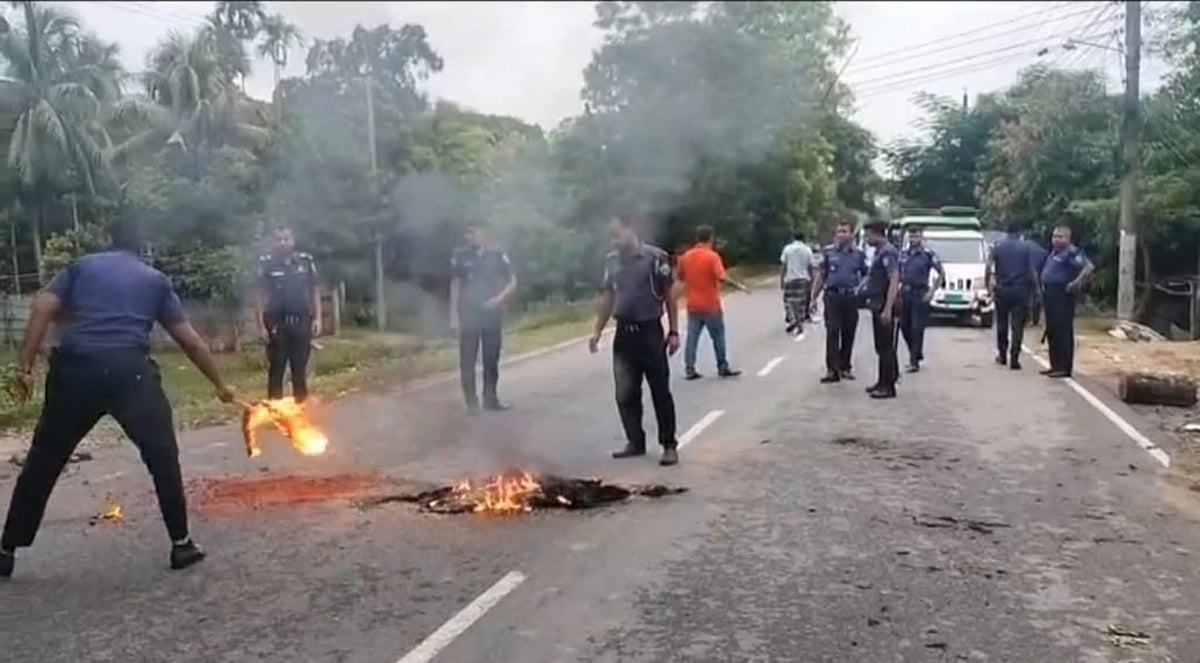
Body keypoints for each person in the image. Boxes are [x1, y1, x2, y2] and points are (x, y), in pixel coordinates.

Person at [0, 219, 236, 579]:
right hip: (130, 373)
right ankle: (181, 543)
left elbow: (41, 308)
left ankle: (6, 550)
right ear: (142, 248)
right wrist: (220, 385)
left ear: (109, 242)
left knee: (45, 457)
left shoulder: (81, 267)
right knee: (161, 455)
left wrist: (25, 368)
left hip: (75, 370)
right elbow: (189, 340)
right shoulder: (154, 280)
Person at [588, 215, 680, 467]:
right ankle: (635, 441)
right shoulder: (611, 262)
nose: (614, 241)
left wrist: (673, 332)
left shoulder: (655, 258)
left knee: (660, 391)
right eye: (610, 236)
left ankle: (669, 445)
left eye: (617, 234)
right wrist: (597, 331)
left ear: (632, 230)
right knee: (625, 392)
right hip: (624, 335)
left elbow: (670, 296)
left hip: (650, 332)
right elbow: (608, 296)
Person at [450, 223, 519, 414]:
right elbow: (455, 286)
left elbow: (513, 281)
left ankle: (490, 398)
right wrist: (454, 316)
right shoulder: (460, 256)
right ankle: (471, 402)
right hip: (469, 314)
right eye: (467, 233)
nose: (470, 236)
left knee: (491, 358)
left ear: (484, 233)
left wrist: (500, 299)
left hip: (491, 313)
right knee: (467, 360)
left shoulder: (497, 255)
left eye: (473, 232)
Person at [255, 225, 320, 403]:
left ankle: (301, 411)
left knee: (299, 369)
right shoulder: (266, 263)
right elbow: (260, 295)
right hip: (276, 324)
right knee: (277, 369)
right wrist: (261, 326)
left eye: (286, 239)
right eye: (279, 239)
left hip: (301, 322)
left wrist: (317, 318)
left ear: (293, 240)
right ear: (274, 242)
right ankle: (275, 411)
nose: (283, 243)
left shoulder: (305, 261)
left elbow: (314, 290)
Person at [677, 226, 748, 380]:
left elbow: (680, 277)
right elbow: (721, 276)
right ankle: (722, 366)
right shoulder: (712, 256)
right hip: (711, 305)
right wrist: (739, 286)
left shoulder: (685, 257)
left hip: (693, 305)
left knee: (692, 338)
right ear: (711, 238)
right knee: (718, 337)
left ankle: (690, 368)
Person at [810, 220, 869, 383]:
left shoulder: (858, 255)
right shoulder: (828, 253)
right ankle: (832, 369)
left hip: (850, 297)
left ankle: (845, 366)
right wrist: (813, 297)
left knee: (848, 332)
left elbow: (866, 274)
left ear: (851, 235)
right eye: (839, 232)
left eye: (844, 231)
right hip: (832, 296)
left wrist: (860, 287)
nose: (841, 235)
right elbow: (821, 275)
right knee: (833, 332)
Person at [1040, 225, 1094, 378]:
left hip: (1062, 294)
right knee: (1052, 329)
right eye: (1054, 236)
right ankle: (1054, 365)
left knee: (1062, 330)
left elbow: (1089, 267)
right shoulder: (1054, 253)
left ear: (1068, 239)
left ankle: (1064, 367)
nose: (1056, 239)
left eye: (1060, 236)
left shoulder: (1071, 253)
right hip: (1050, 293)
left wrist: (1076, 283)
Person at [986, 222, 1042, 370]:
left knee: (1001, 323)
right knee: (1017, 326)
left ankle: (1002, 354)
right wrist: (1037, 289)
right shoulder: (1025, 248)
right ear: (1019, 232)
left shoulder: (997, 247)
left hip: (1002, 289)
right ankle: (1014, 357)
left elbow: (988, 267)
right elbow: (1031, 270)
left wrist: (988, 286)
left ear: (1006, 231)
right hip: (1021, 290)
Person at [862, 220, 902, 398]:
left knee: (886, 346)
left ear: (877, 234)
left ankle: (888, 385)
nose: (866, 238)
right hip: (876, 302)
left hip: (883, 304)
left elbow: (894, 279)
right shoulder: (880, 251)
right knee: (881, 346)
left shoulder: (887, 252)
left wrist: (887, 308)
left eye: (868, 234)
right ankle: (882, 380)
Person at [897, 228, 945, 372]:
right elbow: (898, 273)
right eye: (911, 237)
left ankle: (913, 362)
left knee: (917, 328)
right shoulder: (903, 255)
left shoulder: (928, 255)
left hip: (920, 293)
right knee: (904, 326)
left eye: (916, 236)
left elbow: (941, 272)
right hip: (905, 293)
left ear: (921, 238)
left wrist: (932, 291)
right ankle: (916, 352)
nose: (913, 240)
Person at [779, 230, 815, 336]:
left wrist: (781, 279)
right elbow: (810, 266)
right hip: (803, 280)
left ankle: (793, 319)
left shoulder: (787, 249)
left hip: (790, 279)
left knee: (789, 302)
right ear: (803, 238)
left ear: (793, 237)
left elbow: (783, 265)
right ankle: (799, 324)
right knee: (800, 304)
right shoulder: (807, 250)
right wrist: (811, 279)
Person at [1025, 234, 1049, 326]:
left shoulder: (1024, 247)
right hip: (1038, 277)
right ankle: (1035, 320)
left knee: (1026, 297)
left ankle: (1026, 318)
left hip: (1023, 277)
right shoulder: (1043, 252)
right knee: (1037, 297)